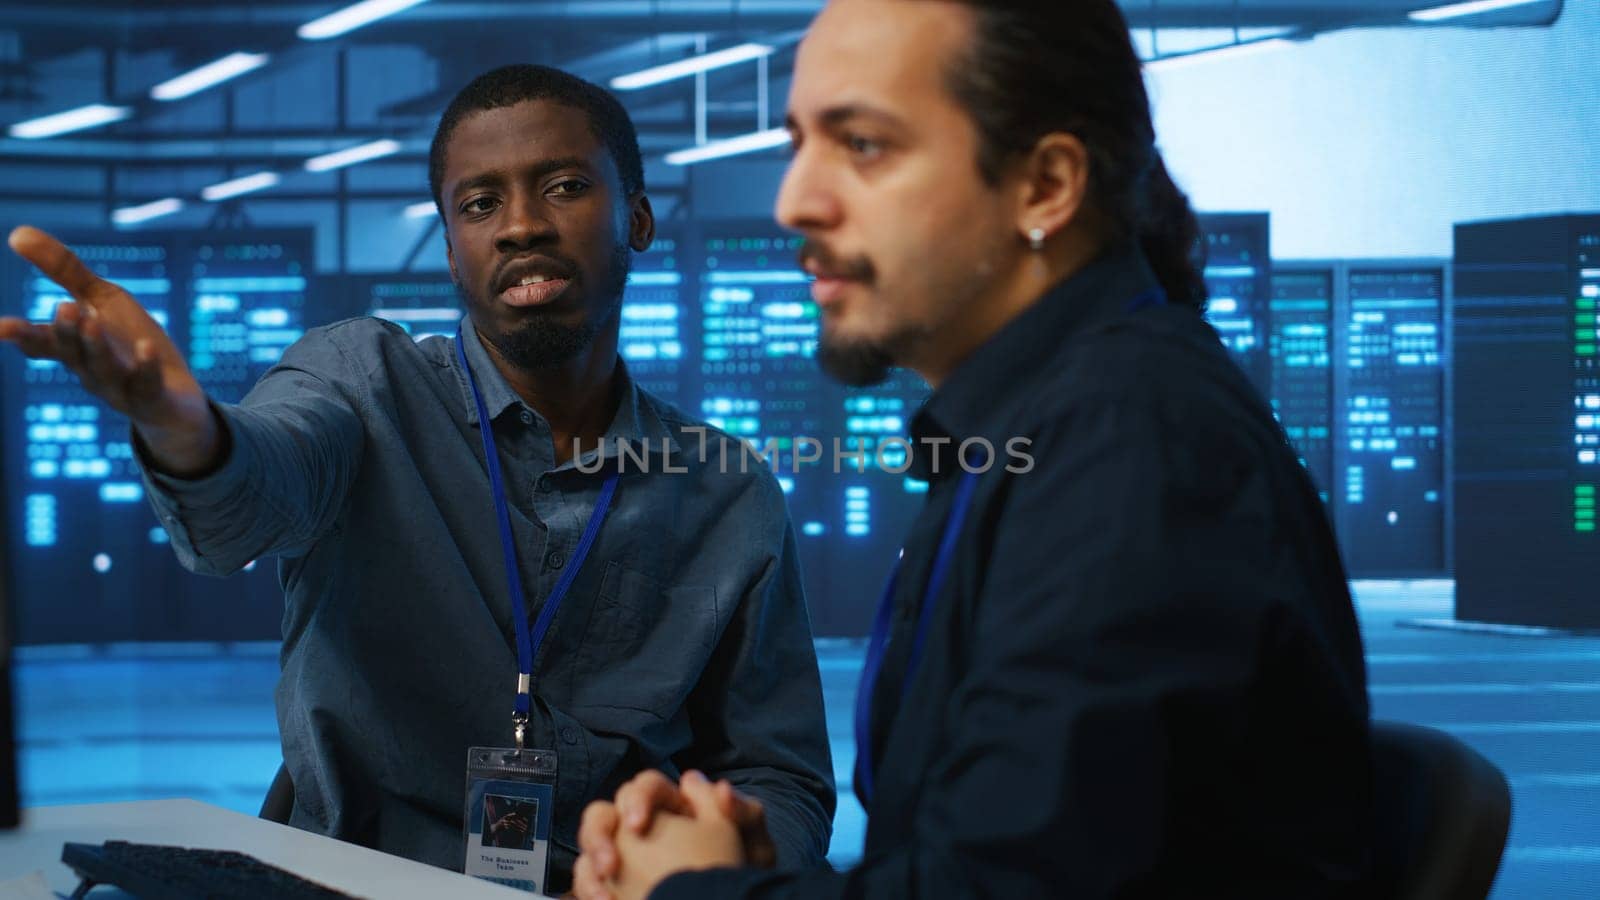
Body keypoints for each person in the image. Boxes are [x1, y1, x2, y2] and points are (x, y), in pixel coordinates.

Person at [573, 1, 1373, 897]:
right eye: (801, 142)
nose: (795, 200)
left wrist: (686, 894)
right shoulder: (1042, 426)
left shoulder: (1131, 452)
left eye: (863, 145)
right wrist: (747, 877)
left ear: (1044, 187)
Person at [0, 64, 835, 894]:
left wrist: (717, 867)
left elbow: (781, 779)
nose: (520, 227)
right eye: (480, 204)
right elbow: (244, 504)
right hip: (348, 883)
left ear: (638, 218)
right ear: (449, 248)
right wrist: (183, 430)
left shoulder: (727, 492)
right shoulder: (361, 387)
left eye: (565, 186)